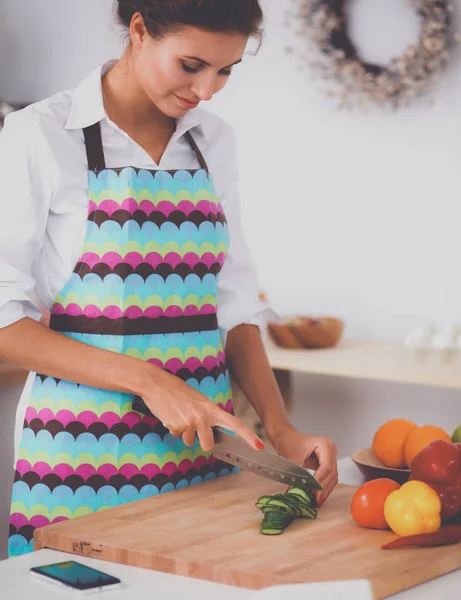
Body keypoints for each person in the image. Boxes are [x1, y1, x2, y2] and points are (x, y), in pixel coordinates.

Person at [0, 0, 339, 557]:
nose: (206, 90)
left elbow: (234, 306)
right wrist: (152, 383)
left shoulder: (213, 142)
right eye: (191, 65)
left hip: (202, 450)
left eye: (225, 71)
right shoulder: (40, 135)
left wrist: (281, 429)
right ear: (139, 30)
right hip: (82, 448)